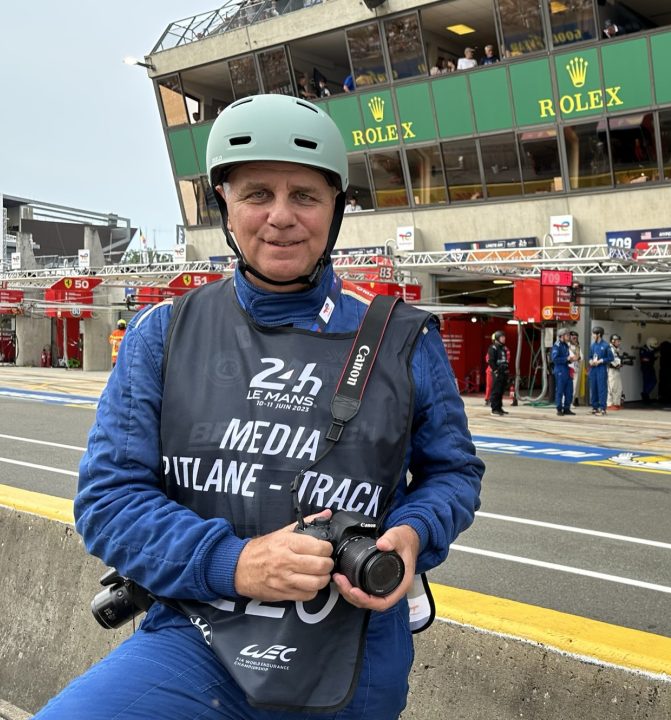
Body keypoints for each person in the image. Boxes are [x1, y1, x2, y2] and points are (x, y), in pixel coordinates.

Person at [37, 94, 483, 719]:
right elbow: (109, 502)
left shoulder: (404, 337)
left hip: (354, 648)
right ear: (225, 203)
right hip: (198, 639)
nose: (281, 217)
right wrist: (236, 563)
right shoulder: (163, 332)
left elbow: (453, 473)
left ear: (336, 207)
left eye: (304, 196)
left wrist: (414, 533)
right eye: (257, 194)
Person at [587, 326, 614, 415]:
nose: (593, 336)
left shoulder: (606, 345)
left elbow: (611, 358)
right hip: (593, 369)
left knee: (602, 388)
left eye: (594, 334)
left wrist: (601, 361)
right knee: (593, 388)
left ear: (599, 334)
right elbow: (590, 356)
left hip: (601, 368)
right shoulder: (593, 345)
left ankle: (603, 408)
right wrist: (590, 361)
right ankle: (595, 407)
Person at [550, 327, 575, 416]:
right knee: (560, 390)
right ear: (562, 336)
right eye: (567, 335)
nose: (569, 337)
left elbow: (566, 358)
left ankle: (567, 408)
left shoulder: (566, 345)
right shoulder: (557, 346)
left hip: (566, 368)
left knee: (569, 390)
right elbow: (555, 359)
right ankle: (559, 409)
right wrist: (566, 359)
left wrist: (570, 360)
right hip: (560, 369)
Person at [487, 330, 509, 416]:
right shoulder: (493, 348)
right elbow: (491, 361)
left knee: (501, 391)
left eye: (504, 337)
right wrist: (495, 370)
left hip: (504, 372)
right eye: (502, 337)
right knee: (496, 391)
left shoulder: (503, 348)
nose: (504, 339)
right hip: (497, 373)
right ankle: (494, 409)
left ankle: (499, 408)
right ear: (497, 338)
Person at [607, 334, 624, 410]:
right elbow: (612, 360)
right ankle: (610, 404)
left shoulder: (616, 349)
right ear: (613, 341)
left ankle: (616, 403)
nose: (619, 343)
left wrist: (621, 363)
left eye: (619, 341)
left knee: (618, 387)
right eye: (618, 341)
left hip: (616, 370)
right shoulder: (610, 349)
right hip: (611, 370)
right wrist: (618, 364)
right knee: (612, 386)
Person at [640, 337, 659, 402]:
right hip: (645, 367)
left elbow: (652, 357)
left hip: (651, 366)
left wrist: (655, 356)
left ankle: (645, 394)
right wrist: (653, 358)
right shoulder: (643, 349)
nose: (653, 348)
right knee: (647, 382)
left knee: (654, 381)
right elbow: (644, 359)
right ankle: (645, 396)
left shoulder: (652, 349)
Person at [568, 330, 581, 406]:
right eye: (573, 338)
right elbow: (572, 357)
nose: (575, 339)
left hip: (576, 368)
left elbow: (581, 357)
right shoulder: (567, 346)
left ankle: (571, 402)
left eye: (576, 338)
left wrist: (578, 357)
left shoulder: (578, 346)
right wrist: (576, 357)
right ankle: (567, 403)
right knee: (569, 386)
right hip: (569, 368)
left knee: (574, 387)